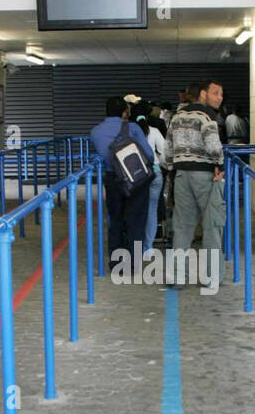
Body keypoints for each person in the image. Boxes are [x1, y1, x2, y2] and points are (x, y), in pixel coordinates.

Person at [163, 80, 226, 287]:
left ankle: (177, 277)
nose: (220, 97)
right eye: (216, 93)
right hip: (205, 177)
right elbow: (213, 147)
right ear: (203, 94)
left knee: (182, 228)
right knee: (212, 225)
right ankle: (211, 277)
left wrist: (174, 168)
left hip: (181, 175)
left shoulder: (177, 117)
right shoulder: (207, 116)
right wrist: (220, 164)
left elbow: (168, 150)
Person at [89, 96, 154, 260]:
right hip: (136, 180)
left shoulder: (95, 132)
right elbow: (149, 155)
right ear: (125, 111)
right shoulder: (133, 128)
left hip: (113, 179)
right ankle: (133, 262)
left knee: (116, 220)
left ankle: (117, 263)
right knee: (136, 220)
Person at [135, 106, 166, 250]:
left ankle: (136, 246)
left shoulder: (129, 132)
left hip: (136, 175)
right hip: (154, 173)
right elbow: (165, 152)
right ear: (147, 116)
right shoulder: (154, 131)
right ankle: (148, 248)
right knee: (152, 210)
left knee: (136, 210)